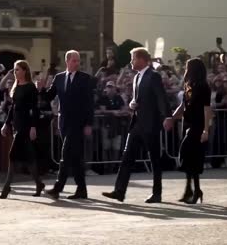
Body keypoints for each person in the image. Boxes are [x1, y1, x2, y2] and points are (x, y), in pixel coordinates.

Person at [102, 48, 173, 203]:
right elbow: (138, 98)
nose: (131, 61)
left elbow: (161, 97)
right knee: (127, 157)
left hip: (151, 124)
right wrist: (133, 103)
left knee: (154, 159)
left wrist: (167, 116)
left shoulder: (153, 76)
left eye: (133, 58)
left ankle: (157, 193)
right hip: (137, 123)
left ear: (142, 59)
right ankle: (119, 191)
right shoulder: (136, 78)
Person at [37, 50, 95, 200]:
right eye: (74, 60)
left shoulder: (85, 79)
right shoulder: (59, 78)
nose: (77, 63)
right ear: (67, 61)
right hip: (64, 122)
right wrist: (42, 88)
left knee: (65, 154)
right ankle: (82, 190)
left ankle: (58, 187)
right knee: (75, 157)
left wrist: (89, 123)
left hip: (79, 122)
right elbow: (49, 96)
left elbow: (89, 103)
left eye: (78, 61)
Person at [0, 60, 45, 199]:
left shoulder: (30, 87)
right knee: (29, 157)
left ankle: (6, 187)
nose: (15, 72)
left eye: (18, 69)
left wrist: (33, 126)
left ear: (25, 71)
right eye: (14, 70)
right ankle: (39, 183)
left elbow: (34, 109)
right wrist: (6, 123)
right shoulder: (16, 86)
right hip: (17, 124)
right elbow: (13, 108)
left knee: (12, 155)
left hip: (26, 125)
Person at [171, 58, 212, 204]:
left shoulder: (203, 87)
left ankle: (195, 190)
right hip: (187, 123)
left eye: (187, 67)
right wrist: (172, 118)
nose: (185, 69)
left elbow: (207, 109)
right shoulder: (188, 85)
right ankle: (190, 189)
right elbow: (183, 106)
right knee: (189, 158)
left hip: (198, 125)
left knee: (189, 154)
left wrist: (206, 130)